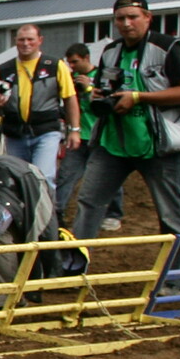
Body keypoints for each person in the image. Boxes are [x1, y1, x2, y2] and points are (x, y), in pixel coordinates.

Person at [72, 0, 180, 270]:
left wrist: (139, 97)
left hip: (158, 144)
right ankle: (73, 268)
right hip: (112, 142)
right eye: (120, 18)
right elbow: (105, 88)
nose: (126, 23)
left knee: (171, 213)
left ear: (147, 18)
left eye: (133, 17)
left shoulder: (168, 47)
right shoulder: (110, 51)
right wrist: (99, 96)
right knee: (88, 203)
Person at [0, 24, 78, 191]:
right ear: (15, 41)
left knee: (43, 177)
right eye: (21, 40)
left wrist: (74, 129)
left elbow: (70, 98)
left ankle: (46, 216)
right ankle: (24, 216)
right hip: (15, 133)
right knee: (17, 178)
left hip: (46, 131)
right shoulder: (4, 69)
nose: (26, 43)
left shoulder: (54, 65)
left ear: (39, 40)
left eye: (30, 39)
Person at [54, 43, 120, 228]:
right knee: (66, 175)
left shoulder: (102, 77)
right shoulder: (70, 79)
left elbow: (111, 101)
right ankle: (58, 212)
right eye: (69, 63)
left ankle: (114, 214)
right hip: (79, 136)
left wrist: (90, 89)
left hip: (101, 135)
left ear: (86, 58)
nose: (72, 66)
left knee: (110, 176)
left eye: (75, 62)